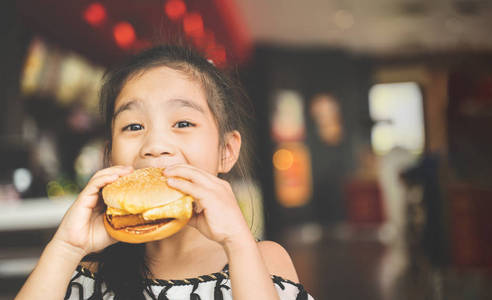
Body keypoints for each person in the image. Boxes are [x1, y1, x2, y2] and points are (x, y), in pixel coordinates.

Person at [15, 45, 313, 300]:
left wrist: (238, 243)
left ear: (227, 150)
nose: (155, 146)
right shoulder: (81, 270)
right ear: (110, 156)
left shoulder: (261, 260)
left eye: (183, 123)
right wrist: (66, 248)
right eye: (133, 126)